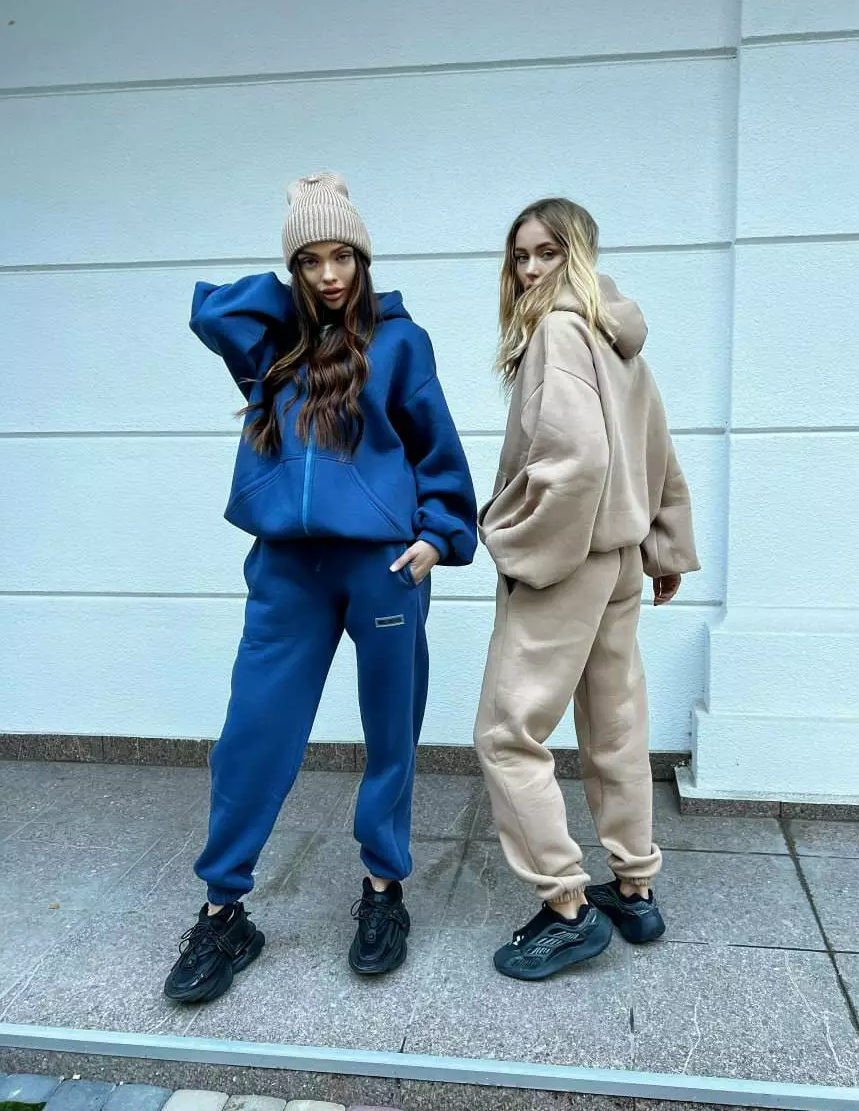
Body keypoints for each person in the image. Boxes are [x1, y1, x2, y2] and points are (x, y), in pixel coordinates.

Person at [164, 172, 477, 1002]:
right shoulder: (272, 345)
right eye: (310, 260)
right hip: (287, 569)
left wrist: (438, 537)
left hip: (381, 567)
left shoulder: (401, 342)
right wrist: (296, 279)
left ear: (365, 259)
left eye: (343, 256)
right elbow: (212, 310)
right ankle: (223, 911)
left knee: (390, 735)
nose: (330, 274)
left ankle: (383, 890)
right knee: (253, 734)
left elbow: (436, 446)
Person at [474, 197, 699, 981]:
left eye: (547, 252)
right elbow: (657, 448)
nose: (531, 269)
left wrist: (517, 541)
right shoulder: (615, 332)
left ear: (578, 253)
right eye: (521, 256)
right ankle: (634, 888)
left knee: (508, 735)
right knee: (615, 726)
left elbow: (577, 462)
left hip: (567, 562)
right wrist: (664, 547)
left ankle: (567, 907)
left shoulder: (561, 331)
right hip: (620, 561)